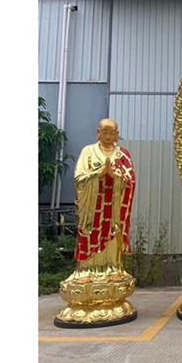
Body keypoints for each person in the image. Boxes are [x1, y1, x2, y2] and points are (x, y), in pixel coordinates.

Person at [72, 118, 136, 282]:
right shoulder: (88, 151)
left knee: (113, 234)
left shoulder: (123, 155)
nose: (108, 136)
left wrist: (115, 176)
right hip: (93, 206)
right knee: (90, 233)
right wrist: (98, 174)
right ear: (98, 133)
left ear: (117, 135)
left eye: (112, 133)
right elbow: (79, 178)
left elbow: (130, 180)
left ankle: (113, 267)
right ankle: (86, 270)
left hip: (113, 207)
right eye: (105, 132)